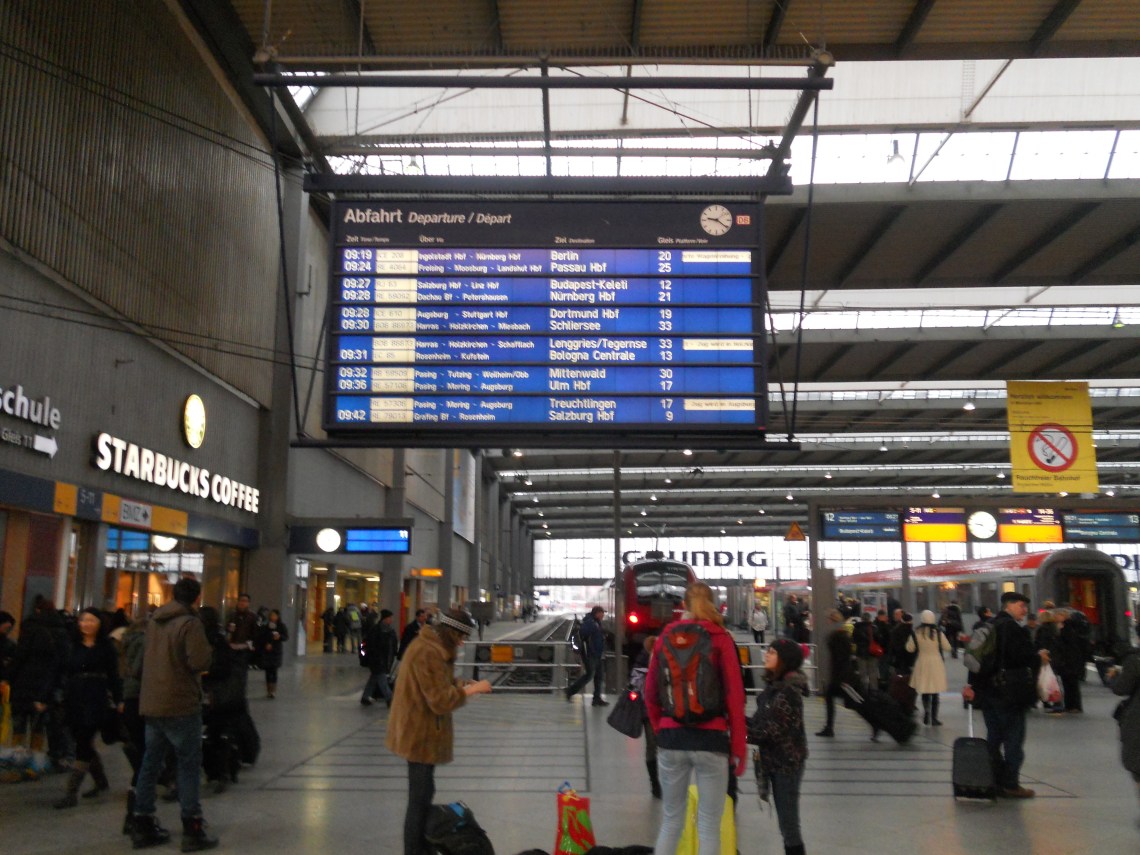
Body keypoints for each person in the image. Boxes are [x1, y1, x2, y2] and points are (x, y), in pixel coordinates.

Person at [645, 583, 746, 855]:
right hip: (711, 739)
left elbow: (650, 693)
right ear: (713, 603)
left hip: (670, 738)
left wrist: (660, 728)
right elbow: (735, 698)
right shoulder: (720, 637)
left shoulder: (665, 636)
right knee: (709, 825)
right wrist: (738, 747)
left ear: (684, 605)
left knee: (671, 821)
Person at [386, 608, 491, 855]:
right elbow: (439, 699)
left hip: (421, 730)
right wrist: (473, 691)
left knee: (423, 792)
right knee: (419, 799)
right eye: (462, 636)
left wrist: (464, 685)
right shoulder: (428, 653)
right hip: (418, 733)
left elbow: (438, 684)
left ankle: (419, 847)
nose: (463, 641)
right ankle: (414, 850)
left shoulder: (433, 648)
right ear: (452, 632)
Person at [130, 577, 219, 851]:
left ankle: (142, 822)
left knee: (150, 762)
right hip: (180, 703)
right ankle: (192, 827)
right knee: (188, 765)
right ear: (196, 598)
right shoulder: (191, 624)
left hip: (153, 702)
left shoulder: (154, 622)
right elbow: (200, 661)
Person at [961, 591, 1046, 799]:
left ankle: (994, 779)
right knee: (1013, 741)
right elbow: (1022, 657)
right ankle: (1010, 784)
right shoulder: (1012, 629)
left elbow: (977, 661)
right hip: (1009, 694)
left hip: (988, 693)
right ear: (1009, 606)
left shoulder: (988, 626)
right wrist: (1038, 657)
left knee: (994, 738)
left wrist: (971, 686)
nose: (1025, 611)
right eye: (1021, 606)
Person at [53, 608, 123, 809]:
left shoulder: (106, 647)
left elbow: (114, 676)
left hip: (95, 697)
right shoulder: (71, 646)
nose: (86, 624)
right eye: (83, 620)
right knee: (81, 740)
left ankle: (71, 792)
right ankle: (101, 782)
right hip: (74, 697)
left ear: (99, 623)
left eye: (91, 620)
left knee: (84, 742)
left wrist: (119, 700)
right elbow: (60, 670)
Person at [748, 638, 809, 855]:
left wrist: (740, 731)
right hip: (775, 761)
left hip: (787, 765)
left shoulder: (789, 693)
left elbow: (769, 731)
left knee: (789, 825)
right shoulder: (773, 689)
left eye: (772, 653)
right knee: (787, 824)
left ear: (785, 659)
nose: (767, 655)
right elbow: (759, 721)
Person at [1109, 650, 1140, 817]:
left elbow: (1121, 688)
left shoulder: (1135, 661)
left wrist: (1113, 676)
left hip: (1137, 721)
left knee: (1137, 765)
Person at [816, 609, 854, 738]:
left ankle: (829, 728)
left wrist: (839, 676)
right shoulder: (842, 634)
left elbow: (840, 657)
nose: (827, 621)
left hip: (839, 675)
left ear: (833, 620)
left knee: (852, 702)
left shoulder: (838, 635)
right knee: (844, 700)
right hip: (841, 674)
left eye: (829, 619)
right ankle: (829, 727)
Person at [906, 610, 948, 726]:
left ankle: (926, 713)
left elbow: (909, 648)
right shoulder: (938, 633)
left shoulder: (916, 633)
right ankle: (934, 718)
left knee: (925, 689)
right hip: (936, 662)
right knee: (935, 691)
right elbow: (947, 647)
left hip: (922, 662)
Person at [631, 634, 660, 798]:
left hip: (648, 710)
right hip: (652, 710)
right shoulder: (653, 660)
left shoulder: (642, 659)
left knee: (652, 747)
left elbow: (635, 682)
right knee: (656, 746)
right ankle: (656, 784)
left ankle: (655, 784)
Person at [565, 605, 607, 706]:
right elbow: (583, 635)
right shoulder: (590, 623)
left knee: (599, 676)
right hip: (590, 654)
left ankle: (597, 698)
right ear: (597, 613)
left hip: (597, 654)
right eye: (602, 614)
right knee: (589, 675)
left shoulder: (596, 622)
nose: (603, 616)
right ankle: (570, 691)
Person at [1051, 609, 1091, 713]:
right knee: (1070, 683)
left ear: (1063, 617)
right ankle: (1072, 705)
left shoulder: (1067, 628)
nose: (1055, 617)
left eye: (1058, 616)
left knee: (1070, 684)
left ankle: (1073, 706)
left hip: (1069, 660)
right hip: (1071, 660)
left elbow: (1066, 644)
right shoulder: (1071, 627)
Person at [361, 609, 399, 707]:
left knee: (374, 678)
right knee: (382, 679)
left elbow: (393, 644)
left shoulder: (389, 630)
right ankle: (390, 698)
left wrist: (394, 653)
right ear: (385, 619)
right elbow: (372, 646)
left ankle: (365, 697)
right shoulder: (376, 630)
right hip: (376, 659)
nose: (391, 620)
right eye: (390, 618)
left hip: (385, 659)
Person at [255, 609, 288, 699]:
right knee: (267, 671)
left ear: (278, 616)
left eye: (274, 615)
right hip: (267, 652)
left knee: (274, 671)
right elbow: (261, 636)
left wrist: (279, 637)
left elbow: (285, 637)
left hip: (276, 651)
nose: (272, 617)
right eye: (271, 615)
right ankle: (268, 690)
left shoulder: (281, 626)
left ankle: (273, 690)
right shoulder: (265, 626)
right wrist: (265, 643)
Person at [850, 613, 879, 692]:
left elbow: (853, 640)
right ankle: (874, 691)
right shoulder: (874, 628)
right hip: (872, 653)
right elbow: (878, 639)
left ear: (862, 619)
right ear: (870, 619)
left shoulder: (857, 628)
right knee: (873, 672)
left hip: (861, 653)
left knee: (863, 673)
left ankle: (864, 691)